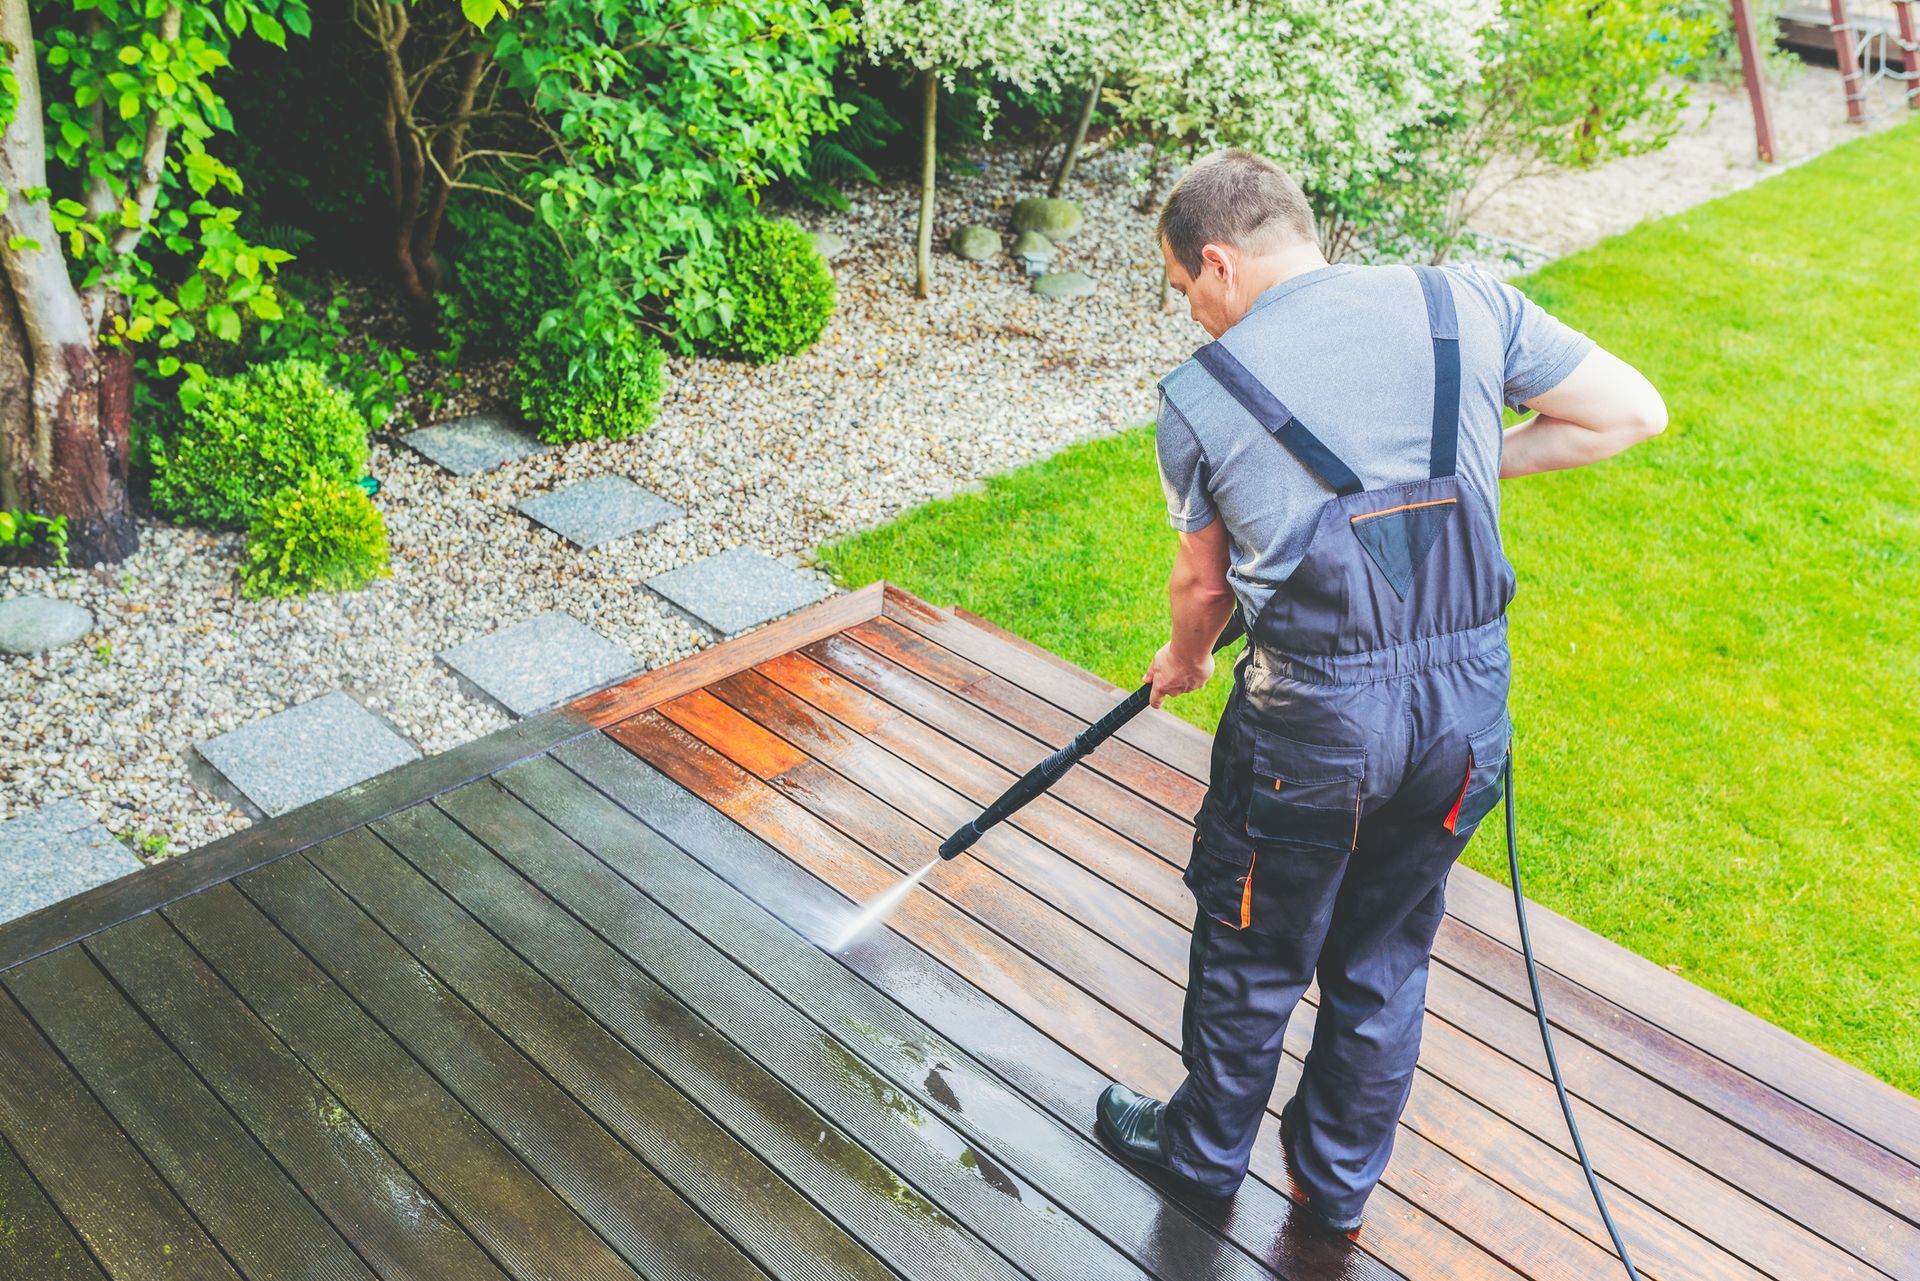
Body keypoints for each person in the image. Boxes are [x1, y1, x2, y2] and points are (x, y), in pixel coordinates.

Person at [1092, 149, 1666, 1238]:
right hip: (1464, 719)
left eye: (1186, 294)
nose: (1196, 321)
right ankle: (1335, 1183)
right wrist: (1466, 462)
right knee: (1387, 948)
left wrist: (1187, 660)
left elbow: (1202, 585)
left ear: (1218, 262)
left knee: (1255, 946)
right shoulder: (1467, 304)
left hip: (1309, 726)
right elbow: (1629, 413)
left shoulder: (1201, 396)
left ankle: (1203, 1156)